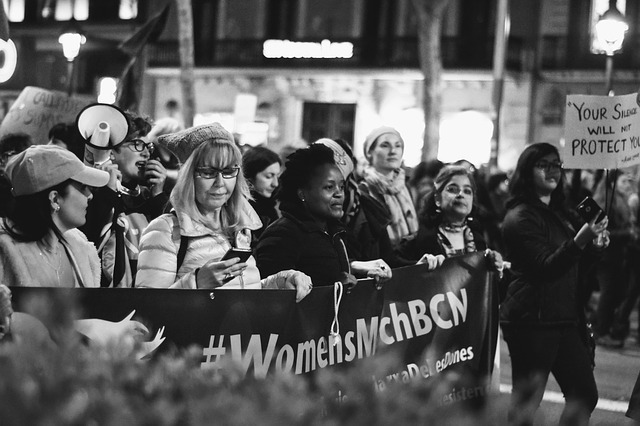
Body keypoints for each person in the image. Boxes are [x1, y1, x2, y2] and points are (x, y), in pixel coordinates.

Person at [135, 123, 312, 302]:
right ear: (188, 176)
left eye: (228, 171)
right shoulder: (164, 231)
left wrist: (280, 282)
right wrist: (197, 282)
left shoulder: (240, 229)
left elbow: (242, 294)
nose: (220, 182)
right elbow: (147, 310)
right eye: (208, 172)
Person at [500, 142, 609, 426]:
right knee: (526, 403)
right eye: (543, 165)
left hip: (563, 317)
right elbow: (547, 266)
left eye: (557, 165)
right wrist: (581, 239)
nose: (553, 171)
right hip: (532, 320)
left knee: (584, 394)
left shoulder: (560, 212)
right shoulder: (520, 216)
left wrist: (595, 246)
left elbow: (576, 265)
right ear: (527, 170)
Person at [255, 143, 392, 287]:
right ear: (302, 193)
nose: (339, 194)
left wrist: (359, 270)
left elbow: (325, 267)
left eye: (341, 186)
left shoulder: (334, 231)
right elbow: (271, 297)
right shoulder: (282, 235)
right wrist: (331, 287)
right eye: (329, 187)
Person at [80, 111, 169, 288]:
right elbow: (88, 241)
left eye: (147, 146)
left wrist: (159, 195)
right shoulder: (89, 195)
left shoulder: (150, 196)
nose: (145, 153)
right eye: (137, 144)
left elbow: (166, 246)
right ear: (110, 152)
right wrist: (107, 191)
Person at [0, 145, 110, 287]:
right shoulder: (6, 252)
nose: (90, 195)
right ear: (55, 199)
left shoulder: (81, 248)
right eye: (83, 187)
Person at [397, 165, 503, 271]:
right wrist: (418, 267)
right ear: (437, 198)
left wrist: (496, 266)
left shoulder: (479, 240)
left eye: (467, 191)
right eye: (452, 189)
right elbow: (395, 271)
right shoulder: (418, 240)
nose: (461, 194)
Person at [592, 169, 636, 348]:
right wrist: (628, 234)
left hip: (619, 255)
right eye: (623, 182)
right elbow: (600, 231)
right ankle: (600, 331)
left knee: (617, 293)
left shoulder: (622, 201)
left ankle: (604, 326)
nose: (627, 185)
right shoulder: (605, 202)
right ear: (612, 183)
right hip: (606, 256)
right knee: (608, 293)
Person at [359, 126, 418, 247]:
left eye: (398, 146)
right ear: (370, 152)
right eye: (385, 145)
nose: (393, 151)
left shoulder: (407, 188)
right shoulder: (363, 190)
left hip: (412, 257)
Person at [242, 145, 282, 243]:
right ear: (250, 176)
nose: (275, 184)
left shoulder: (273, 207)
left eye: (277, 176)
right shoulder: (242, 210)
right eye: (269, 176)